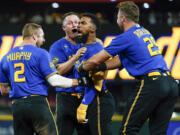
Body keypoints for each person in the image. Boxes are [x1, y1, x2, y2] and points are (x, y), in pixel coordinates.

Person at [78, 2, 179, 135]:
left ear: (123, 18)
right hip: (170, 83)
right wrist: (101, 67)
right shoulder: (143, 32)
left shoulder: (126, 36)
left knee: (127, 130)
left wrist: (82, 67)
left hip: (152, 82)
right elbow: (120, 60)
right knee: (158, 133)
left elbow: (96, 59)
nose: (117, 20)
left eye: (118, 16)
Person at [0, 23, 89, 135]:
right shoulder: (40, 53)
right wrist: (79, 82)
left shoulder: (5, 57)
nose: (43, 40)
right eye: (42, 36)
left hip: (17, 106)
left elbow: (3, 90)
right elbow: (54, 81)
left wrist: (21, 89)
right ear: (34, 36)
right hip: (37, 103)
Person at [49, 12, 91, 135]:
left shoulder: (86, 43)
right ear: (64, 28)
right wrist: (75, 57)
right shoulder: (57, 46)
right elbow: (59, 71)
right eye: (70, 23)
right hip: (65, 98)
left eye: (77, 22)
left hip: (85, 97)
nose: (75, 25)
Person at [74, 12, 115, 135]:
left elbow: (97, 84)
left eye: (83, 23)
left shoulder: (97, 51)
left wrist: (84, 105)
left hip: (97, 101)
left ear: (93, 28)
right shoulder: (80, 47)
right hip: (86, 101)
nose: (78, 25)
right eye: (79, 22)